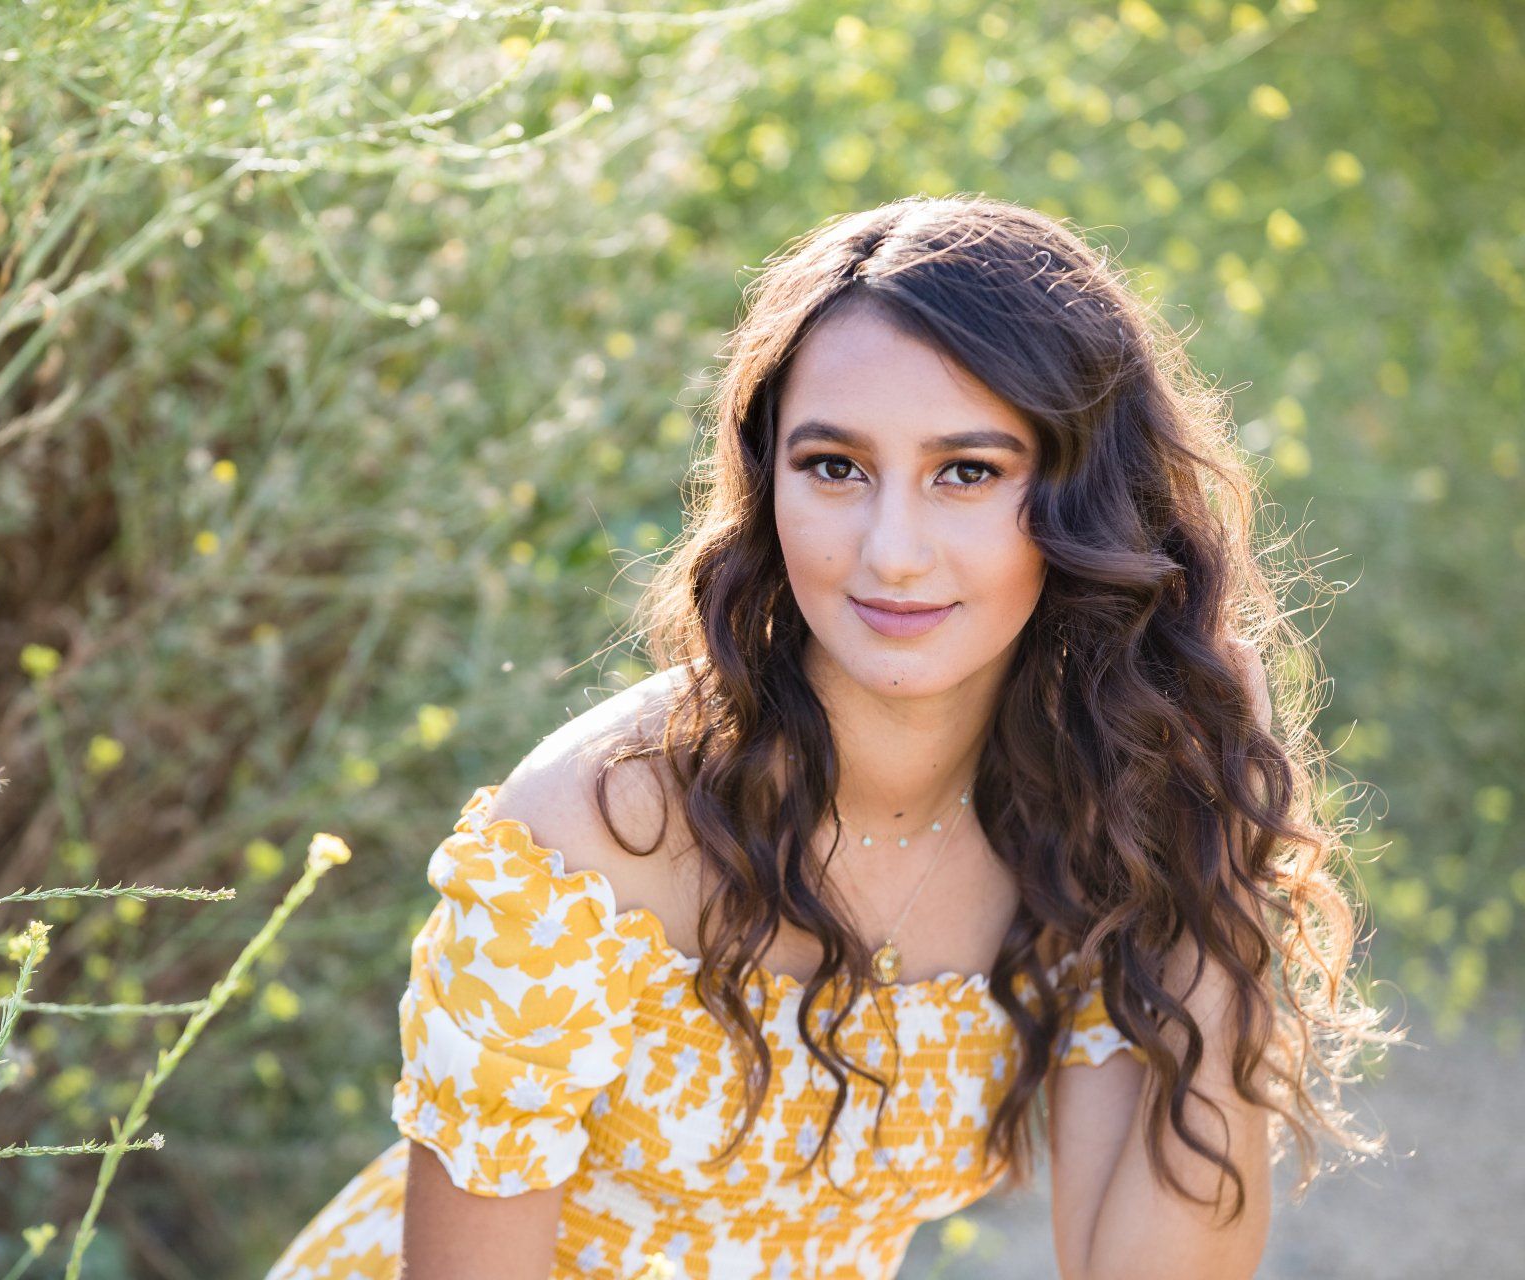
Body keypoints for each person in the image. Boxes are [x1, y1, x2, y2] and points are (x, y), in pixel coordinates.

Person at [265, 194, 1395, 1280]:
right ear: (768, 487)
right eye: (835, 467)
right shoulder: (585, 845)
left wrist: (1214, 857)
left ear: (1082, 502)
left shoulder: (1088, 817)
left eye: (967, 471)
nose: (891, 549)